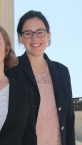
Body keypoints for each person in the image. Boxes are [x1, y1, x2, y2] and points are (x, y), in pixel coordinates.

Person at [5, 10, 75, 145]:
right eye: (28, 33)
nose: (34, 38)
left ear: (48, 35)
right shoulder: (10, 71)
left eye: (40, 32)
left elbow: (69, 119)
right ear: (20, 38)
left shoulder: (62, 72)